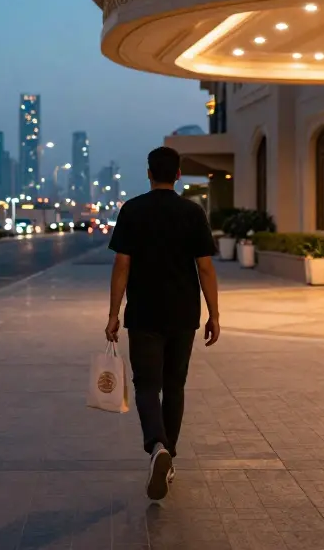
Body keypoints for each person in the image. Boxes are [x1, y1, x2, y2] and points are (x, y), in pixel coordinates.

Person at [105, 146, 220, 501]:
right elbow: (204, 267)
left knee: (145, 386)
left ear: (149, 172)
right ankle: (167, 454)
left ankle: (158, 446)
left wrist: (113, 313)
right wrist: (214, 313)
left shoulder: (132, 210)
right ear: (179, 174)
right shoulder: (192, 212)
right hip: (183, 313)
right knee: (174, 385)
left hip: (143, 314)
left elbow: (122, 265)